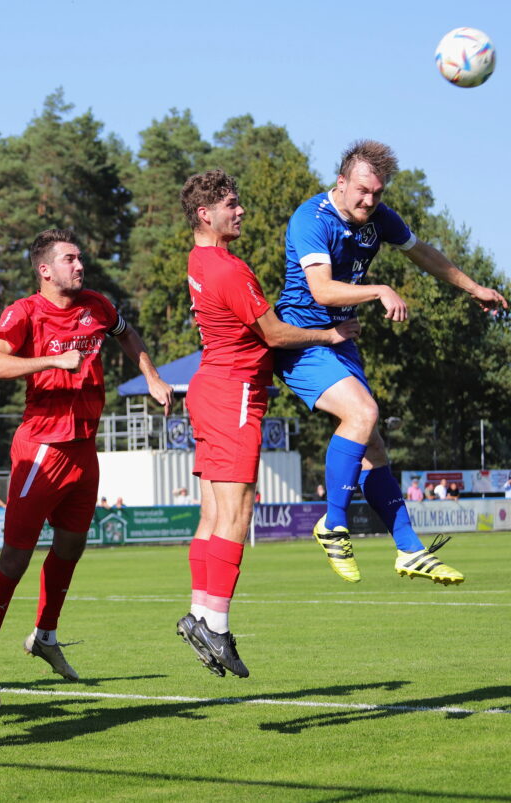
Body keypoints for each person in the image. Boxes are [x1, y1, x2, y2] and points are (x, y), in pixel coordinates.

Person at [275, 141, 504, 585]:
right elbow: (321, 290)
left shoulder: (380, 219)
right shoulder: (311, 218)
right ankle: (334, 524)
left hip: (342, 343)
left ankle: (410, 550)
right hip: (303, 342)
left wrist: (473, 287)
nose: (369, 201)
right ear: (341, 182)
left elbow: (423, 253)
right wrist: (379, 289)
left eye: (377, 193)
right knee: (364, 413)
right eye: (362, 190)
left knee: (372, 443)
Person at [0, 228, 173, 712]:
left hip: (84, 449)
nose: (79, 266)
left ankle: (44, 635)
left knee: (71, 547)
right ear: (45, 270)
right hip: (41, 448)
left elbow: (127, 336)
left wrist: (152, 376)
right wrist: (52, 360)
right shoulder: (24, 311)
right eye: (69, 259)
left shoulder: (97, 305)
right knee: (14, 561)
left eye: (80, 258)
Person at [175, 170, 360, 679]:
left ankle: (198, 614)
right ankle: (216, 623)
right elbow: (274, 333)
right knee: (237, 514)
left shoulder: (198, 260)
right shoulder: (228, 269)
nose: (240, 211)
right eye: (231, 204)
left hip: (210, 388)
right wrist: (330, 334)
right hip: (235, 394)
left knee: (213, 515)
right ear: (204, 214)